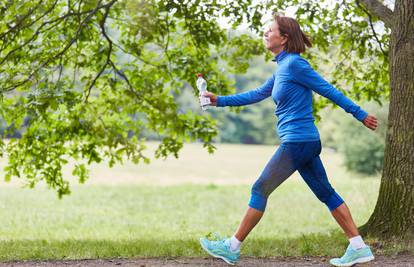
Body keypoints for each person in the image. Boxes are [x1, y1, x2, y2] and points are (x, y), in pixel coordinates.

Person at [198, 14, 378, 266]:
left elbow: (327, 89)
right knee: (326, 193)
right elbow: (257, 93)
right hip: (303, 143)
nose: (265, 33)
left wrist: (359, 114)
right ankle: (358, 247)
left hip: (298, 142)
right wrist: (219, 101)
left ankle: (232, 246)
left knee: (260, 188)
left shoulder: (295, 64)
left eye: (270, 30)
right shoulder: (282, 67)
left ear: (283, 38)